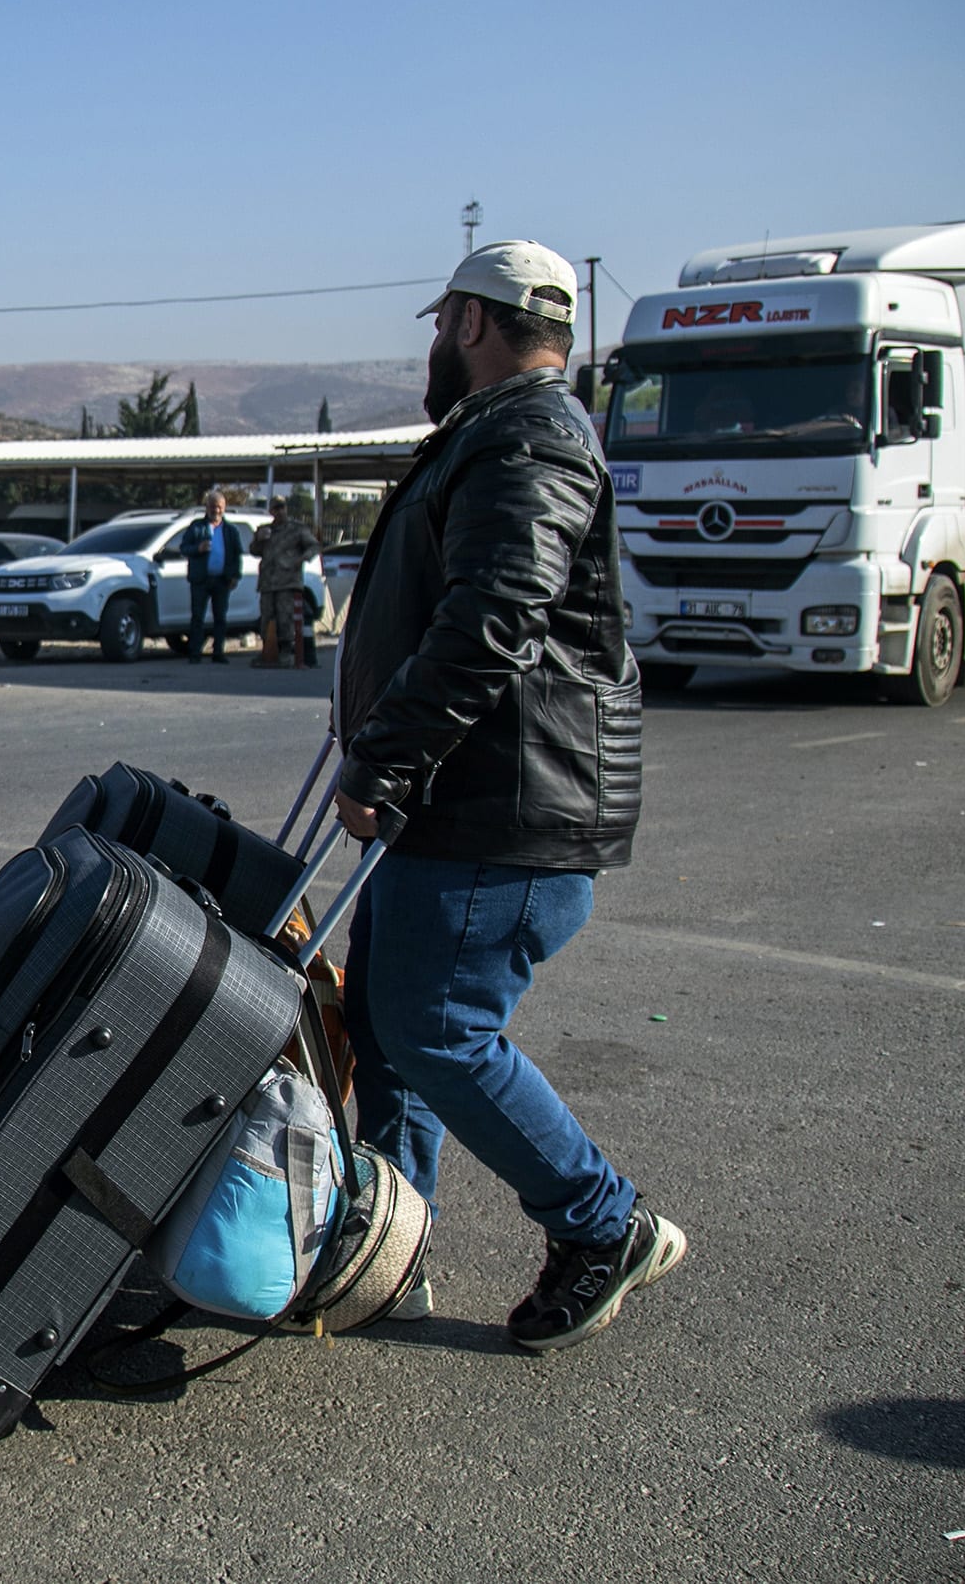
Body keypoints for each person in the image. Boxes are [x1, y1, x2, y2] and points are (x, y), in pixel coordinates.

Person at [331, 240, 683, 1352]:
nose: (434, 345)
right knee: (384, 1030)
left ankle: (600, 1221)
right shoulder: (500, 433)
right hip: (457, 798)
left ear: (475, 323)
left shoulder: (531, 436)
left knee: (437, 1028)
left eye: (442, 325)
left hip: (500, 809)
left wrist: (385, 754)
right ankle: (388, 1251)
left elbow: (494, 616)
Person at [176, 491, 249, 663]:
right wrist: (198, 548)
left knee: (220, 618)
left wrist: (235, 576)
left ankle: (218, 653)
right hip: (200, 579)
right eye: (212, 506)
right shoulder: (197, 527)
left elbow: (237, 555)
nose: (215, 510)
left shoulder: (231, 530)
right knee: (197, 617)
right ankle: (195, 653)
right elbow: (184, 548)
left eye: (219, 507)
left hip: (222, 580)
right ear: (206, 508)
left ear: (224, 508)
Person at [247, 496, 320, 669]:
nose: (279, 512)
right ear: (271, 511)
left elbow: (314, 546)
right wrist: (259, 539)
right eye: (275, 508)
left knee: (285, 618)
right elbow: (254, 550)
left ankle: (286, 652)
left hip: (288, 582)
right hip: (268, 582)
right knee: (267, 618)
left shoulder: (297, 529)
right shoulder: (266, 530)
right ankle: (268, 650)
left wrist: (300, 559)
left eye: (282, 507)